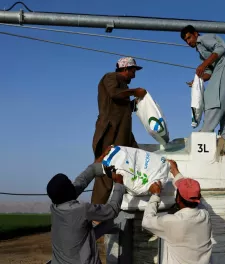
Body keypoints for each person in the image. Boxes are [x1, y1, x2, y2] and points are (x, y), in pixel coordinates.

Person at [46, 147, 125, 264]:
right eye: (70, 183)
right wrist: (119, 184)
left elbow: (79, 183)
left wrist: (95, 167)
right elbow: (112, 210)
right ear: (68, 191)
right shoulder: (81, 210)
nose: (73, 183)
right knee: (113, 219)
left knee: (103, 226)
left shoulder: (55, 207)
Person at [91, 56, 147, 205]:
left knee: (136, 162)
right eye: (133, 70)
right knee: (105, 173)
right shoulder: (110, 77)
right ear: (126, 69)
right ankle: (96, 214)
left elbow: (122, 108)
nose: (134, 75)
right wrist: (135, 91)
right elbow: (113, 93)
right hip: (111, 132)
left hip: (123, 134)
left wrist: (137, 103)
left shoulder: (123, 87)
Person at [142, 160, 213, 264]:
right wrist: (175, 171)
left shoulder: (172, 222)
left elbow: (146, 221)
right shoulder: (205, 215)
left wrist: (155, 195)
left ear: (178, 199)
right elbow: (192, 194)